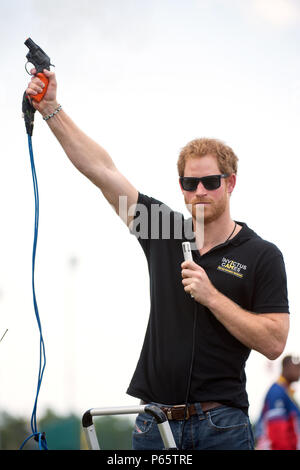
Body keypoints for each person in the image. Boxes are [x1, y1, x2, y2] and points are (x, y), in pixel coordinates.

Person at [26, 69, 290, 450]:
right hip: (154, 423)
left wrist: (212, 296)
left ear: (230, 183)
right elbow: (102, 171)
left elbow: (274, 341)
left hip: (222, 426)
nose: (199, 191)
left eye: (211, 182)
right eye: (189, 183)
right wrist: (51, 108)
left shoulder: (262, 254)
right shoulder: (163, 228)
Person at [255, 355, 300, 450]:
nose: (299, 371)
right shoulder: (277, 391)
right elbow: (277, 432)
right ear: (287, 367)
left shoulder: (286, 392)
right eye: (297, 367)